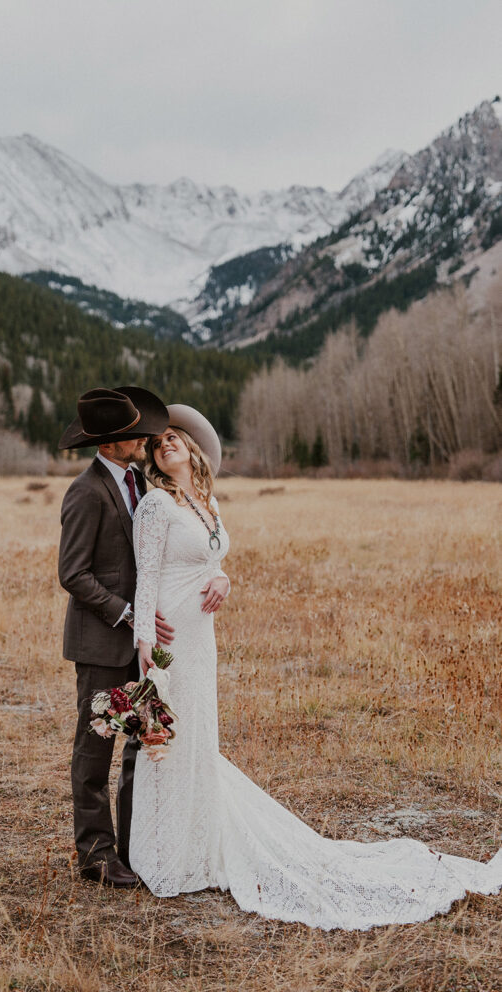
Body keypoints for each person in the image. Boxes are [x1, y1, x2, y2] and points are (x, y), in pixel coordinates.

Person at [128, 404, 502, 928]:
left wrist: (226, 579)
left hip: (202, 638)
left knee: (199, 736)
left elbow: (211, 560)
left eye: (176, 437)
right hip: (169, 640)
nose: (166, 443)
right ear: (154, 457)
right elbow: (146, 577)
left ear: (192, 450)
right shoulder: (156, 506)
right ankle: (166, 856)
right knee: (169, 738)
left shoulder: (205, 502)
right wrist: (144, 641)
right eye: (158, 441)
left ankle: (197, 842)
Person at [58, 386, 174, 888]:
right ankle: (96, 856)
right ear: (108, 443)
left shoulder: (140, 485)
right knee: (94, 750)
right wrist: (126, 613)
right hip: (102, 643)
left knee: (139, 745)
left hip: (138, 643)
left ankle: (132, 848)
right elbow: (73, 573)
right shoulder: (85, 492)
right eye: (133, 435)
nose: (144, 439)